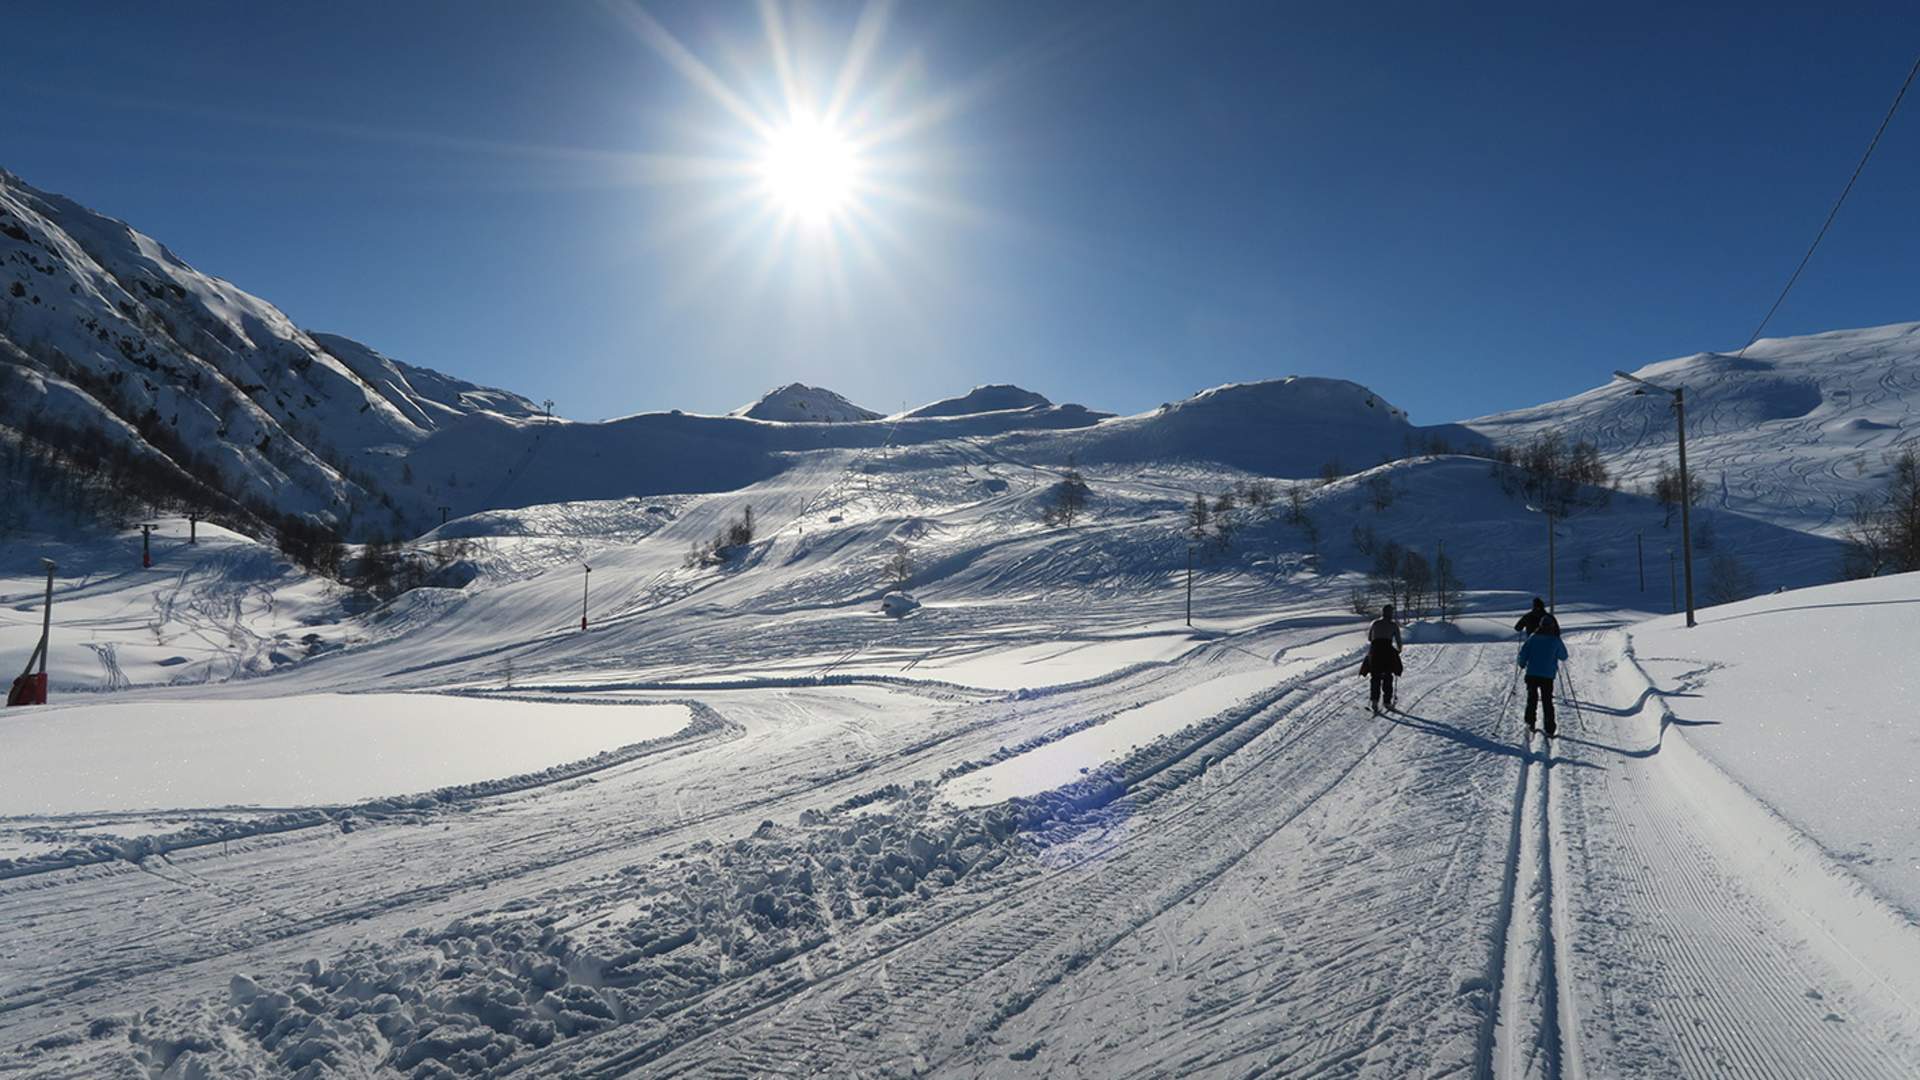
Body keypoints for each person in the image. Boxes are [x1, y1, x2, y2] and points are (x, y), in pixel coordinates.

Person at [1516, 614, 1569, 737]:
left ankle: (1530, 723)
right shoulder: (1555, 640)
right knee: (1547, 701)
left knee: (1532, 699)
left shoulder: (1533, 638)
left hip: (1532, 674)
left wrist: (1522, 664)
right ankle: (1550, 728)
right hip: (1547, 675)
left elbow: (1523, 654)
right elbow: (1564, 656)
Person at [1361, 603, 1403, 714]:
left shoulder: (1375, 623)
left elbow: (1370, 638)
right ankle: (1387, 702)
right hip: (1387, 652)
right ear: (1391, 613)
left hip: (1375, 651)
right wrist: (1398, 650)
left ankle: (1374, 701)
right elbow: (1398, 641)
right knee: (1388, 676)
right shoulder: (1393, 625)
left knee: (1375, 677)